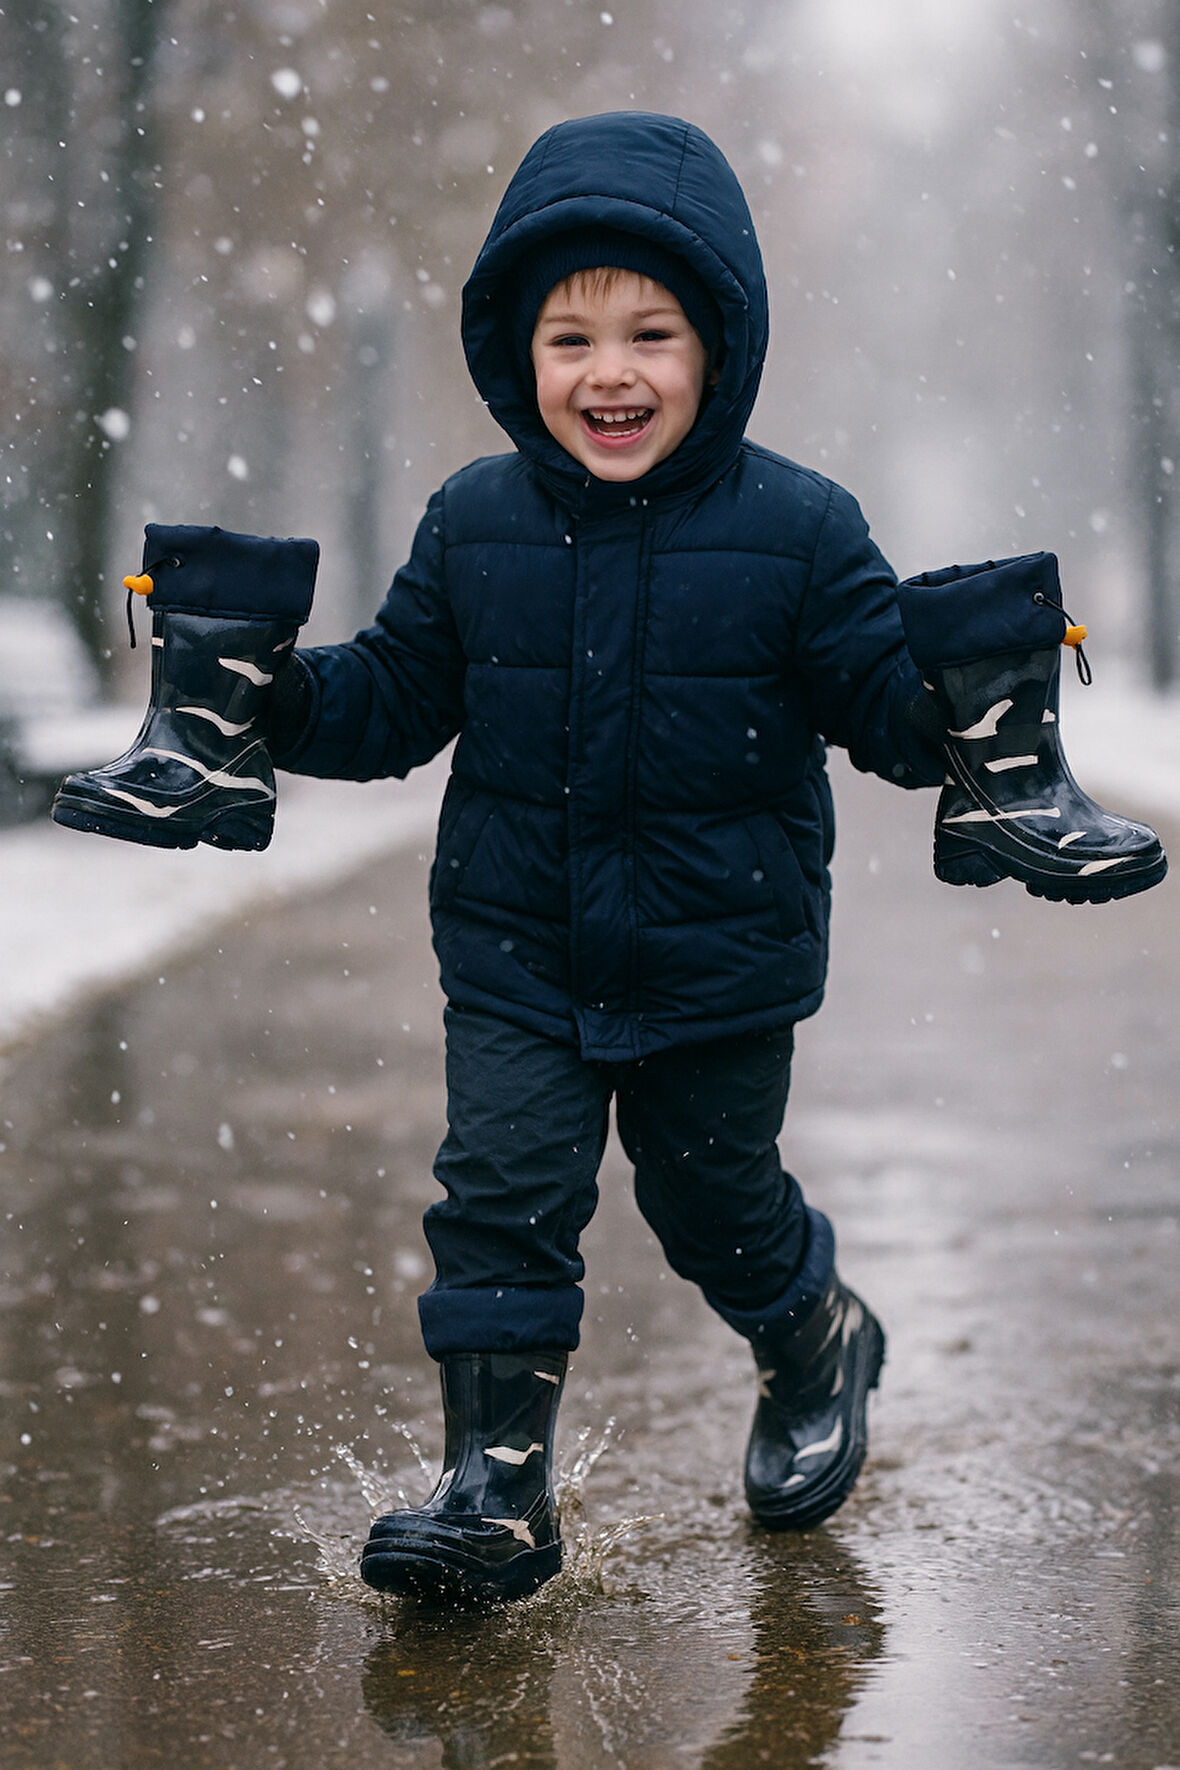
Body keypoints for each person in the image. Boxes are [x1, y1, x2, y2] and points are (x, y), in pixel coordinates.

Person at [51, 109, 1165, 1604]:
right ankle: (496, 1487)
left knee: (711, 1197)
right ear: (519, 356)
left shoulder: (800, 529)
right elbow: (393, 700)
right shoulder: (474, 521)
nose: (612, 371)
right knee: (500, 1193)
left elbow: (879, 707)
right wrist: (267, 695)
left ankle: (813, 1331)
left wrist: (974, 723)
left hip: (723, 954)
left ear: (720, 347)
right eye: (571, 338)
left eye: (652, 330)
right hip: (516, 948)